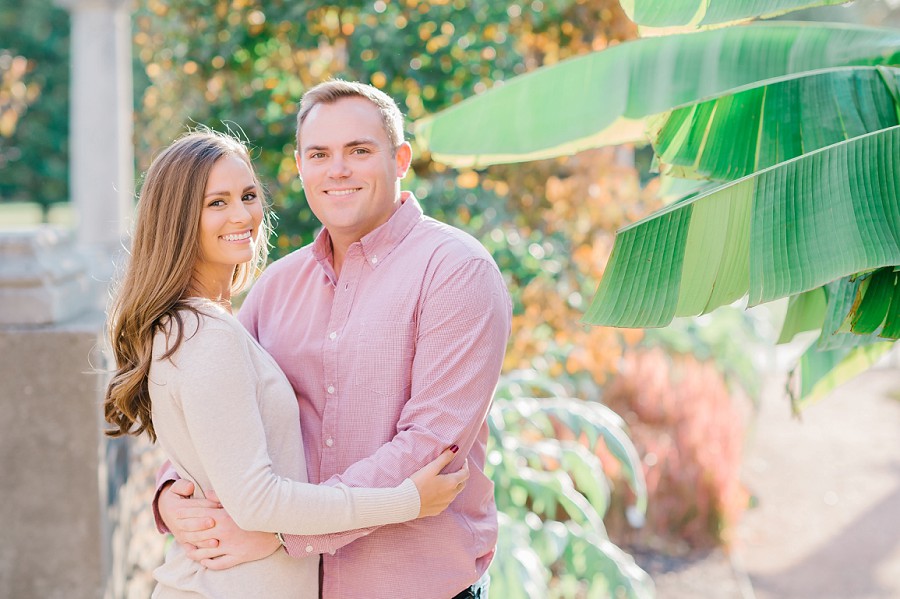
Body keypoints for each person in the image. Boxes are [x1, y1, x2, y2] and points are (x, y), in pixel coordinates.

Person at [155, 81, 512, 599]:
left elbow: (431, 448)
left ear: (401, 158)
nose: (337, 170)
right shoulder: (276, 286)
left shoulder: (457, 272)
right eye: (320, 154)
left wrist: (279, 530)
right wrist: (171, 493)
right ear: (300, 166)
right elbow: (219, 412)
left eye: (359, 151)